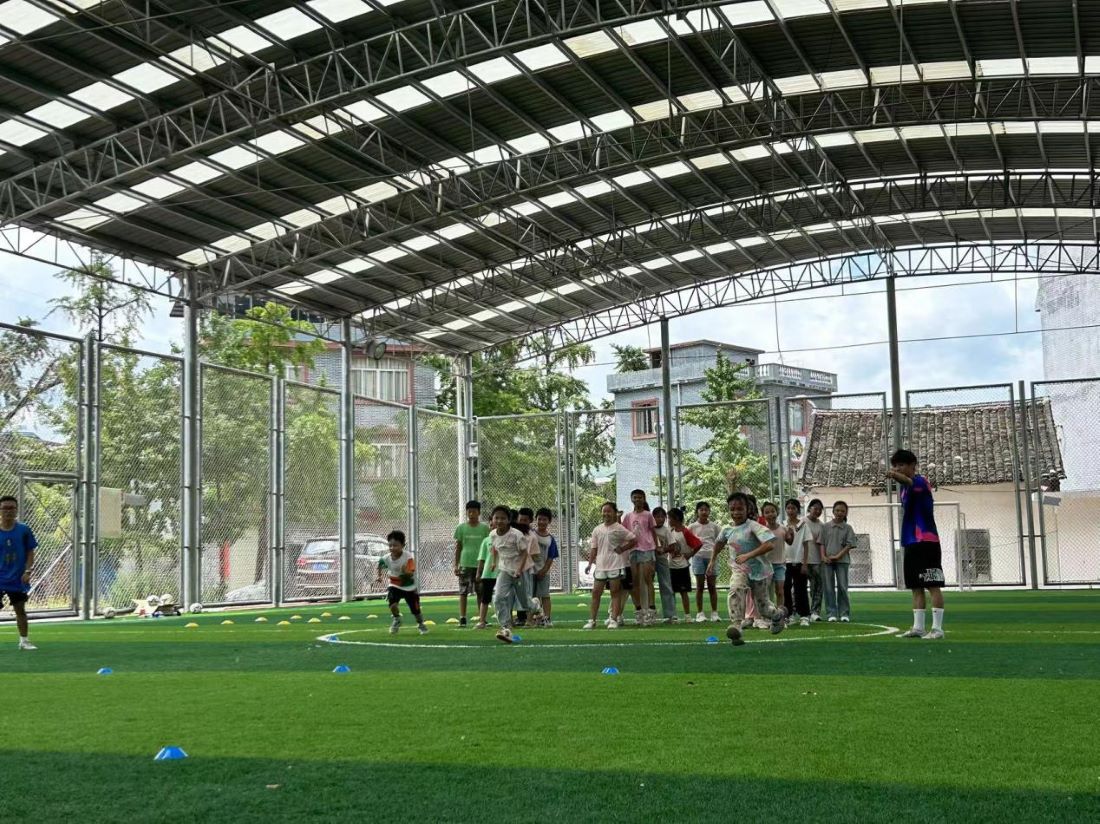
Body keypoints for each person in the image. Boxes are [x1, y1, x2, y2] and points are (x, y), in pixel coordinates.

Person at [708, 492, 787, 645]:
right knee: (735, 588)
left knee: (763, 608)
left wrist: (748, 555)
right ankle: (736, 625)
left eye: (740, 509)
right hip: (740, 569)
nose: (736, 513)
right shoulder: (727, 529)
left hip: (760, 571)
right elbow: (719, 543)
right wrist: (712, 560)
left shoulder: (753, 526)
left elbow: (769, 544)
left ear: (747, 509)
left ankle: (778, 615)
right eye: (732, 509)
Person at [888, 449, 946, 639]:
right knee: (915, 586)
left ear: (913, 465)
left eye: (901, 465)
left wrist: (893, 475)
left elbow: (909, 481)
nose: (897, 469)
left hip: (927, 541)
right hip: (911, 540)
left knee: (932, 584)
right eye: (895, 466)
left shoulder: (920, 481)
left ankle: (937, 629)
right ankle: (918, 628)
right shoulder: (904, 489)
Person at [583, 501, 637, 630]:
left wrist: (622, 548)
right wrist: (590, 564)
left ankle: (614, 619)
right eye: (604, 511)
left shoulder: (619, 528)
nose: (606, 514)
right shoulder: (597, 529)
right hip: (601, 565)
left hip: (615, 564)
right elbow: (594, 548)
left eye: (609, 511)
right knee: (596, 593)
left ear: (614, 513)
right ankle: (592, 620)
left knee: (615, 592)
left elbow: (633, 539)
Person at [489, 505, 535, 643]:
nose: (499, 521)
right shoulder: (492, 534)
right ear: (492, 519)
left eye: (503, 518)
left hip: (518, 571)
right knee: (498, 598)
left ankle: (535, 605)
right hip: (504, 570)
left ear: (509, 520)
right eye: (497, 518)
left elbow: (524, 553)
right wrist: (494, 562)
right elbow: (495, 549)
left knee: (524, 603)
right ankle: (506, 627)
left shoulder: (516, 535)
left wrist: (519, 569)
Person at [0, 495, 37, 650]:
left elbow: (30, 552)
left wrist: (28, 571)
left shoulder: (24, 530)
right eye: (5, 508)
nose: (8, 511)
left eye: (12, 508)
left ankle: (24, 641)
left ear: (16, 510)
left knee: (20, 609)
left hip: (17, 578)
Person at [376, 530, 428, 635]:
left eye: (395, 545)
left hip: (409, 586)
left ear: (403, 545)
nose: (392, 548)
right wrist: (379, 576)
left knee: (415, 609)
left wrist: (406, 572)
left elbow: (411, 572)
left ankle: (421, 624)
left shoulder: (408, 557)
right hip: (394, 585)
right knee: (392, 604)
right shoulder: (386, 558)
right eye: (390, 545)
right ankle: (397, 619)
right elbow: (379, 564)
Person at [622, 489, 659, 626]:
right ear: (632, 499)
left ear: (644, 499)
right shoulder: (628, 516)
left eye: (640, 497)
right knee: (635, 581)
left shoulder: (648, 515)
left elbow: (653, 531)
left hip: (647, 549)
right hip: (633, 550)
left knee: (648, 579)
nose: (637, 500)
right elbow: (624, 531)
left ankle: (651, 610)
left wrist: (656, 547)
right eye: (635, 497)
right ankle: (639, 611)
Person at [453, 500, 490, 627]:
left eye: (474, 511)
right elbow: (458, 547)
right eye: (469, 511)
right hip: (465, 564)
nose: (471, 514)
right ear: (466, 512)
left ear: (479, 512)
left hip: (480, 565)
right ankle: (462, 618)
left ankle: (482, 618)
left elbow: (488, 547)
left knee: (481, 592)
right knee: (463, 592)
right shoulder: (461, 528)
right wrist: (456, 565)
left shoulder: (485, 528)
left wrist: (488, 563)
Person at [820, 501, 857, 623]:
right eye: (837, 510)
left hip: (842, 561)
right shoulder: (825, 527)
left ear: (846, 513)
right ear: (833, 511)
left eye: (842, 511)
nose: (839, 513)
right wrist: (823, 556)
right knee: (828, 588)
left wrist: (838, 556)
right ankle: (831, 613)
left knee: (842, 587)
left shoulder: (848, 528)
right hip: (827, 562)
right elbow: (821, 543)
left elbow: (849, 545)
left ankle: (844, 613)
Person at [666, 507, 702, 619]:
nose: (668, 520)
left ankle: (687, 615)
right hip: (671, 565)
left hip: (682, 566)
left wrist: (690, 554)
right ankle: (672, 615)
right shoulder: (670, 531)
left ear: (676, 518)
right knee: (671, 591)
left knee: (683, 591)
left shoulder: (685, 532)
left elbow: (698, 544)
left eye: (670, 518)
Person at [689, 501, 722, 623]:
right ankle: (700, 613)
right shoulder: (692, 527)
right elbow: (688, 541)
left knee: (712, 586)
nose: (704, 512)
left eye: (706, 510)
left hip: (711, 558)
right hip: (698, 557)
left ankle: (714, 613)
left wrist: (715, 554)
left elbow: (721, 541)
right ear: (697, 512)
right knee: (699, 586)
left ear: (709, 512)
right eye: (701, 510)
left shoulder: (715, 526)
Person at [512, 508, 542, 627]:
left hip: (526, 569)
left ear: (530, 521)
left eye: (525, 520)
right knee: (514, 593)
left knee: (526, 593)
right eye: (520, 520)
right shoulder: (513, 534)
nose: (522, 522)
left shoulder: (532, 537)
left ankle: (529, 619)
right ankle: (519, 618)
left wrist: (526, 562)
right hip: (513, 568)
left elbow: (535, 554)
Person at [782, 498, 809, 626]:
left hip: (799, 561)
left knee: (801, 589)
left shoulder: (803, 525)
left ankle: (804, 615)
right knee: (786, 588)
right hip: (785, 562)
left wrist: (805, 563)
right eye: (788, 508)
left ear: (798, 510)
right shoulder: (782, 525)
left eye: (793, 508)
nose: (791, 511)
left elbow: (806, 545)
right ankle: (789, 614)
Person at [799, 499, 826, 624]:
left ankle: (815, 612)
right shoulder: (802, 522)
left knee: (817, 587)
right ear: (809, 508)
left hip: (816, 560)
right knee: (799, 587)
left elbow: (822, 543)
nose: (817, 511)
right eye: (815, 508)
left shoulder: (822, 525)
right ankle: (798, 612)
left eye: (820, 509)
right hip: (802, 560)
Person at [761, 501, 789, 617]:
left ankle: (780, 615)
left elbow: (789, 541)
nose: (770, 514)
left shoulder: (783, 528)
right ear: (763, 515)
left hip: (780, 565)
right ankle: (767, 615)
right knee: (766, 592)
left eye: (772, 511)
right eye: (767, 512)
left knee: (780, 591)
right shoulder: (762, 530)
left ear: (777, 513)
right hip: (766, 565)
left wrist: (791, 534)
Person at [533, 508, 560, 627]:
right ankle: (535, 618)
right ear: (535, 520)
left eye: (544, 519)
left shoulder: (550, 539)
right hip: (530, 570)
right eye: (539, 519)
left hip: (543, 572)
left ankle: (547, 618)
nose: (541, 522)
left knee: (544, 595)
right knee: (533, 596)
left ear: (549, 521)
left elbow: (551, 557)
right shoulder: (531, 534)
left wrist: (544, 571)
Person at [651, 507, 677, 624]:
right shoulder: (649, 529)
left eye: (662, 517)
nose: (660, 519)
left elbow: (673, 546)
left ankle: (670, 614)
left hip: (661, 559)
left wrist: (663, 550)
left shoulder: (666, 530)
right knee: (648, 585)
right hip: (649, 559)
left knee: (666, 585)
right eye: (657, 517)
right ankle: (649, 612)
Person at [473, 533, 496, 629]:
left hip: (502, 572)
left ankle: (508, 621)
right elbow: (481, 558)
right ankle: (482, 621)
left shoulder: (506, 538)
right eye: (491, 525)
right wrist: (478, 573)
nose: (493, 526)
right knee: (485, 597)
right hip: (488, 573)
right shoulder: (486, 540)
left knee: (505, 597)